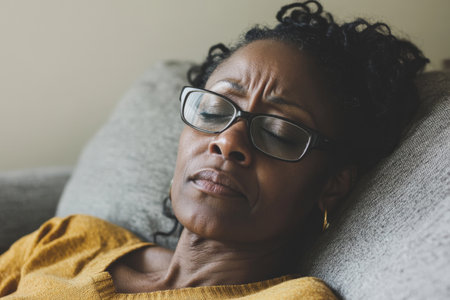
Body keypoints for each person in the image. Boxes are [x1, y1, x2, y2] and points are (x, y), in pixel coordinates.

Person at [0, 1, 428, 299]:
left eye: (279, 132)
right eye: (214, 110)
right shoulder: (72, 238)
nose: (228, 141)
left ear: (332, 184)